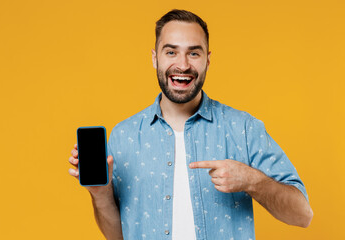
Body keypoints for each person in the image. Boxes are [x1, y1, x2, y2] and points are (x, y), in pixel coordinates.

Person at [68, 9, 313, 240]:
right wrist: (100, 194)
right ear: (155, 58)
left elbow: (302, 215)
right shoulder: (123, 136)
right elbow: (117, 236)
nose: (183, 65)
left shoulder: (243, 129)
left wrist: (252, 180)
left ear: (207, 60)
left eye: (194, 53)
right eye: (171, 52)